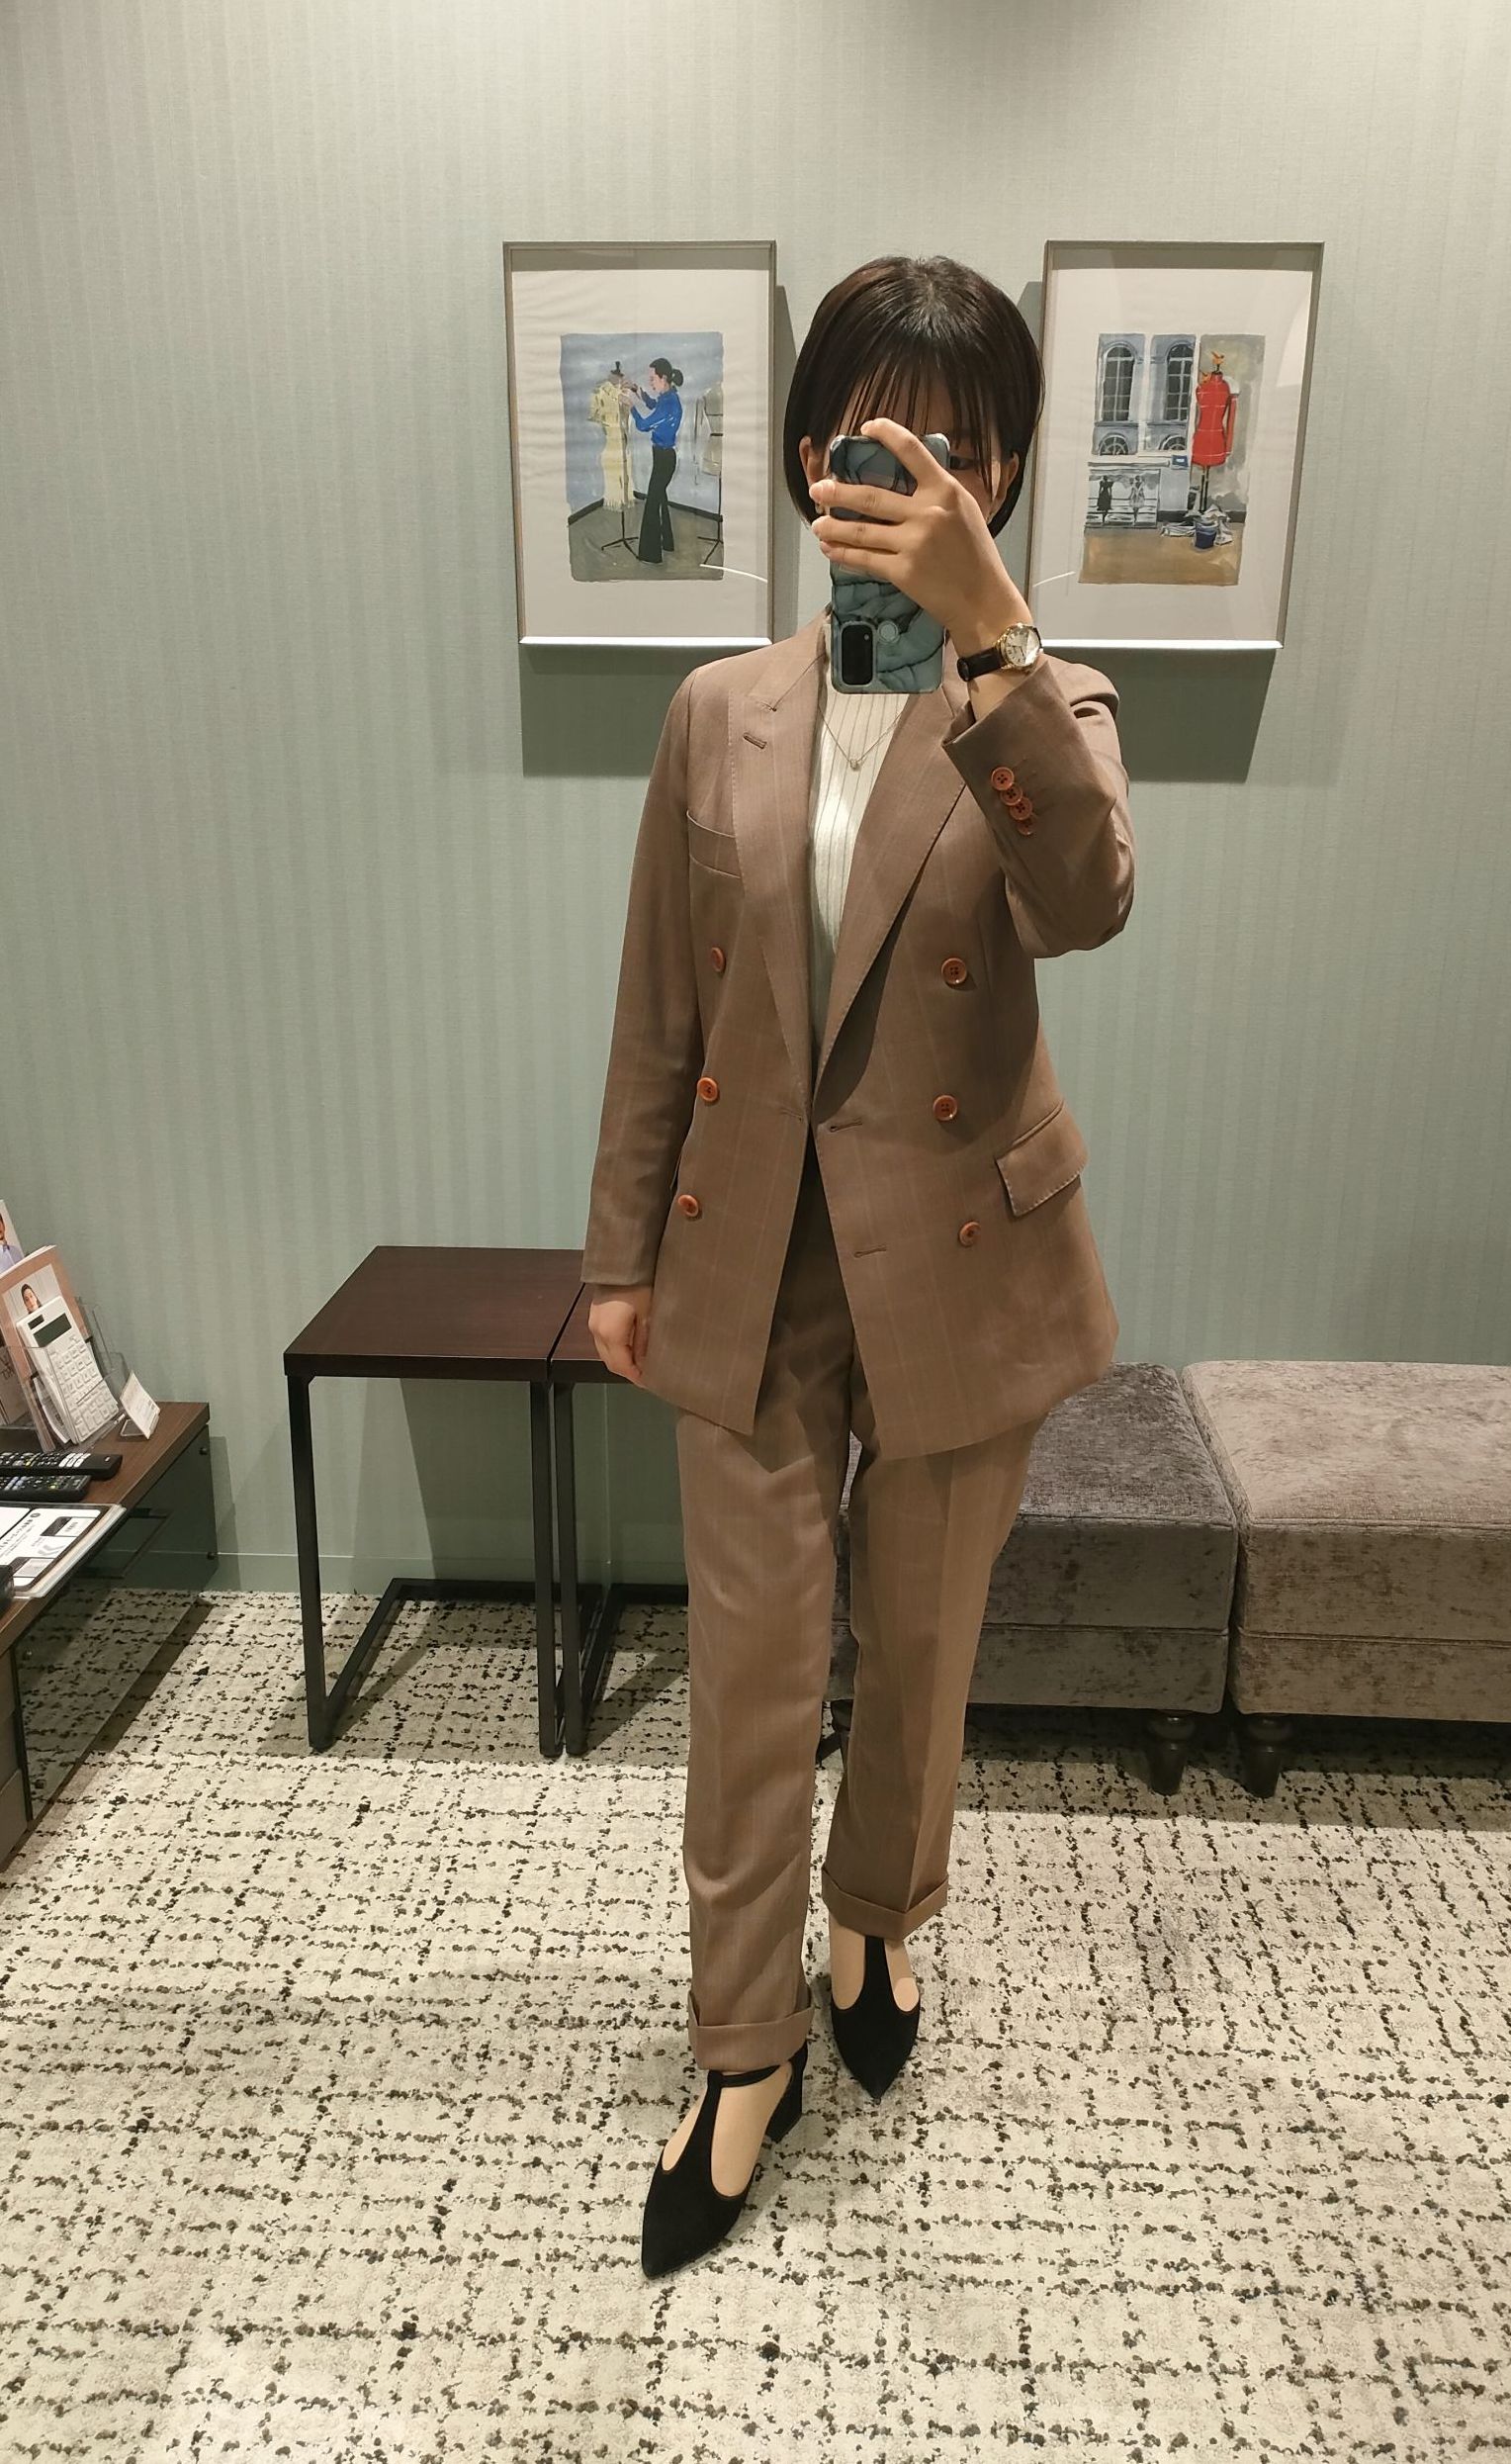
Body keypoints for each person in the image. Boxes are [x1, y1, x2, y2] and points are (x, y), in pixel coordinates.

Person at [579, 254, 1134, 2277]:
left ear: (1005, 481)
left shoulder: (1048, 706)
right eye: (869, 442)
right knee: (747, 1674)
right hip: (745, 1266)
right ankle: (743, 2050)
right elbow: (662, 1004)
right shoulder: (715, 711)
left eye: (956, 453)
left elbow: (1084, 900)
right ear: (809, 458)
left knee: (917, 1648)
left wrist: (994, 641)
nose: (903, 482)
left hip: (962, 1261)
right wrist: (617, 1248)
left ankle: (874, 1922)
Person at [626, 358, 682, 562]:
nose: (650, 382)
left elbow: (643, 425)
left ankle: (651, 555)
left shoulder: (669, 403)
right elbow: (652, 404)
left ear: (663, 378)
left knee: (652, 504)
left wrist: (631, 407)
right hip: (663, 457)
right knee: (660, 500)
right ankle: (667, 543)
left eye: (652, 378)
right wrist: (637, 391)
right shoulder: (668, 397)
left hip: (664, 459)